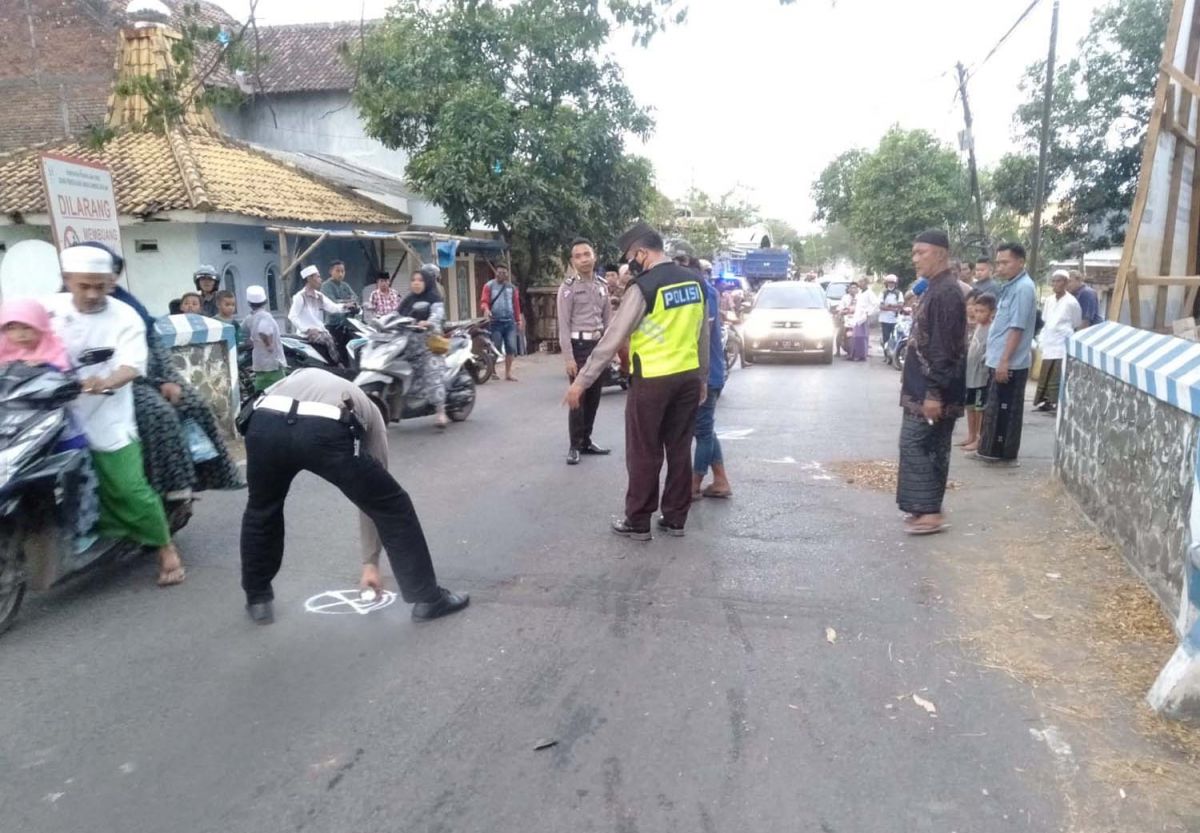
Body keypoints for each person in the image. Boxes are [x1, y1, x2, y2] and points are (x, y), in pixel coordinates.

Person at [238, 368, 470, 624]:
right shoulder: (371, 412)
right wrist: (370, 562)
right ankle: (427, 599)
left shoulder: (303, 376)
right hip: (321, 429)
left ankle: (257, 600)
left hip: (264, 424)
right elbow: (374, 504)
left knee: (262, 509)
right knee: (392, 505)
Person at [47, 245, 186, 586]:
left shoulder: (125, 316)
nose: (93, 294)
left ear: (112, 281)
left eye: (101, 286)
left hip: (107, 414)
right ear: (67, 279)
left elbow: (131, 365)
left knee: (127, 488)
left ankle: (165, 547)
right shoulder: (46, 309)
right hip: (51, 415)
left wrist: (106, 382)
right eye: (84, 286)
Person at [564, 223, 710, 540]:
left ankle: (638, 520)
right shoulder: (696, 282)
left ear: (642, 253)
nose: (630, 262)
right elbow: (703, 334)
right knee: (680, 449)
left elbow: (613, 338)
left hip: (653, 380)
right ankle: (675, 519)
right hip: (687, 378)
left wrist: (581, 382)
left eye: (631, 256)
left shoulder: (644, 287)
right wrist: (702, 378)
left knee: (644, 451)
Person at [896, 230, 967, 536]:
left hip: (933, 389)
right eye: (914, 252)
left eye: (920, 252)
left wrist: (934, 392)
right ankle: (924, 508)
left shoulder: (947, 292)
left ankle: (930, 513)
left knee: (920, 445)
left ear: (940, 254)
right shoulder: (933, 288)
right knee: (924, 446)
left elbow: (944, 348)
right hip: (922, 387)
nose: (915, 259)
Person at [975, 242, 1038, 464]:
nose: (1000, 267)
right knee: (992, 409)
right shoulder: (1010, 286)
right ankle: (988, 451)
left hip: (1010, 363)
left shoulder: (1023, 288)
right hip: (998, 359)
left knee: (1004, 412)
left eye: (1005, 262)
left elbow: (1017, 327)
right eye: (998, 263)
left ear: (1020, 262)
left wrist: (1004, 361)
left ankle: (1000, 455)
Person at [558, 238, 612, 465]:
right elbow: (563, 325)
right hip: (578, 347)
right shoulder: (568, 288)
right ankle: (574, 445)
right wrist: (568, 358)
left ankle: (586, 440)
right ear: (573, 261)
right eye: (578, 256)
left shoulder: (602, 286)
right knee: (577, 398)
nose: (583, 260)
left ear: (594, 256)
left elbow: (608, 322)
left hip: (598, 347)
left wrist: (609, 352)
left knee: (594, 398)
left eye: (587, 254)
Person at [693, 260, 732, 500]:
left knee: (702, 431)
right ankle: (720, 480)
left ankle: (694, 483)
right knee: (705, 428)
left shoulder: (702, 291)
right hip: (710, 372)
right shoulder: (705, 289)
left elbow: (700, 335)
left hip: (707, 374)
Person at [398, 265, 449, 428]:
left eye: (420, 280)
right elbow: (396, 314)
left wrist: (428, 322)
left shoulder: (434, 297)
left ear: (427, 281)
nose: (416, 283)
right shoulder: (408, 299)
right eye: (413, 280)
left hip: (429, 344)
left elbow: (438, 314)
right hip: (409, 344)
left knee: (432, 374)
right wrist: (382, 321)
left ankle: (441, 412)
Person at [1034, 270, 1083, 413]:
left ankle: (1055, 402)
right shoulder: (1049, 300)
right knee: (1046, 372)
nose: (1055, 284)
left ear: (1066, 283)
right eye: (1053, 281)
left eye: (1059, 281)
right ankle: (1045, 401)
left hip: (1062, 342)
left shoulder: (1072, 302)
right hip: (1049, 340)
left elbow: (1076, 322)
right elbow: (1045, 319)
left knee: (1057, 373)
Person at [288, 264, 348, 365]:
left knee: (334, 338)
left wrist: (346, 306)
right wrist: (307, 329)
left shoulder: (319, 296)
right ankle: (337, 364)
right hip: (307, 334)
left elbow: (333, 308)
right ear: (309, 279)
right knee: (328, 339)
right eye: (318, 277)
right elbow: (292, 316)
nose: (321, 279)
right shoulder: (300, 297)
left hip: (320, 331)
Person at [961, 293, 996, 452]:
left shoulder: (992, 329)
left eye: (982, 311)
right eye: (976, 310)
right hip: (970, 375)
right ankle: (971, 435)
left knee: (979, 408)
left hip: (982, 376)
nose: (978, 314)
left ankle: (979, 438)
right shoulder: (977, 326)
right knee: (970, 407)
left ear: (992, 312)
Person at [481, 265, 523, 381]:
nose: (501, 275)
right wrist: (486, 309)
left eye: (504, 273)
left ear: (507, 274)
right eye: (499, 272)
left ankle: (508, 373)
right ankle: (492, 371)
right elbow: (484, 301)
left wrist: (518, 320)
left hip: (510, 322)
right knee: (496, 347)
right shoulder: (489, 286)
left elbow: (516, 305)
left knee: (511, 347)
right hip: (495, 322)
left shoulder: (512, 288)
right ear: (496, 273)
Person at [245, 285, 286, 392]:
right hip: (271, 362)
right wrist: (269, 345)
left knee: (261, 390)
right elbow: (264, 330)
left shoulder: (250, 318)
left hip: (259, 361)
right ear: (265, 301)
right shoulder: (265, 316)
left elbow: (243, 333)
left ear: (249, 303)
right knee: (279, 390)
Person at [321, 259, 358, 328]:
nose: (340, 274)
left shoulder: (345, 285)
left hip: (347, 322)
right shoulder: (326, 286)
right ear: (330, 271)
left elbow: (355, 298)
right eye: (337, 271)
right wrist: (347, 302)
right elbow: (332, 302)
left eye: (342, 271)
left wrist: (350, 302)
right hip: (333, 323)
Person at [849, 278, 874, 361]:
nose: (860, 283)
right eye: (859, 282)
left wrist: (868, 312)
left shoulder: (869, 293)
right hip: (858, 316)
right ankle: (855, 354)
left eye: (862, 282)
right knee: (856, 336)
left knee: (862, 337)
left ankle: (862, 355)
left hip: (864, 317)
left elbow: (875, 303)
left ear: (866, 283)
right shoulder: (860, 292)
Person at [878, 275, 903, 351]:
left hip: (895, 319)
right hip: (884, 319)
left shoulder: (899, 293)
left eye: (892, 282)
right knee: (886, 337)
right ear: (886, 283)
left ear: (895, 283)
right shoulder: (883, 293)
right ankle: (886, 353)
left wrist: (890, 305)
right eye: (889, 282)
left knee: (895, 337)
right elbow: (881, 306)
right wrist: (893, 309)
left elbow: (901, 305)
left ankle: (893, 352)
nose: (891, 284)